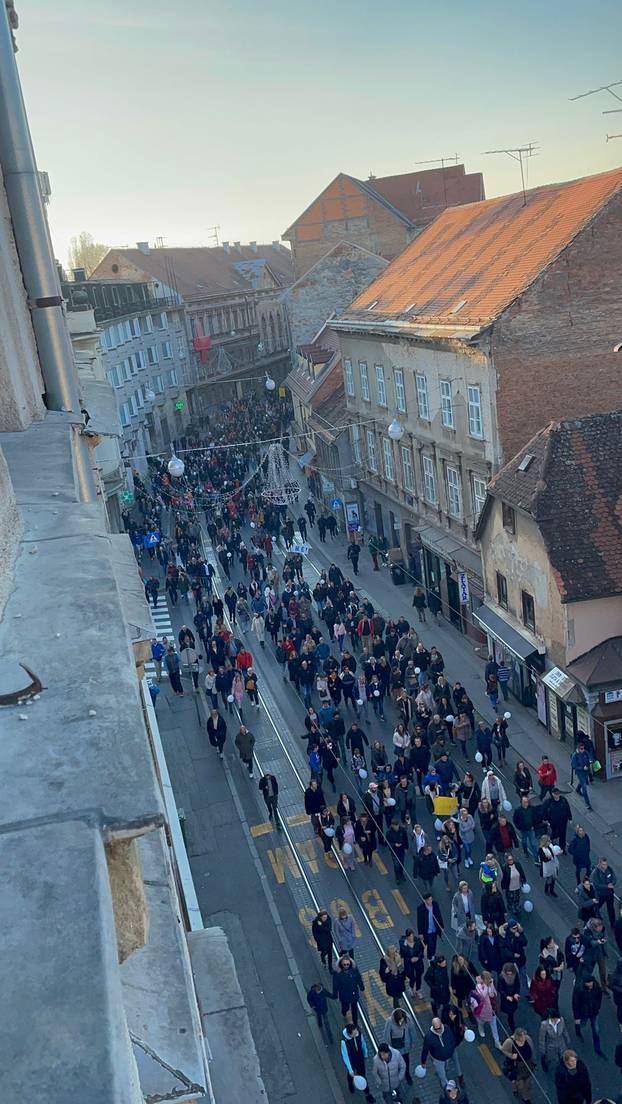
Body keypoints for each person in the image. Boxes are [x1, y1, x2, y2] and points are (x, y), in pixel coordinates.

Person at [340, 1022, 375, 1101]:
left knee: (363, 1076)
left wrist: (365, 1053)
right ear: (349, 1034)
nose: (356, 1033)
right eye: (354, 1033)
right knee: (350, 1075)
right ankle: (350, 1084)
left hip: (360, 1059)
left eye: (356, 1031)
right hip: (352, 1061)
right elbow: (345, 1056)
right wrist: (350, 1069)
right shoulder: (344, 1042)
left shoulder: (358, 1034)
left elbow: (363, 1043)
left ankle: (367, 1093)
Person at [572, 974, 605, 1055]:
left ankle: (597, 1049)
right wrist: (577, 1017)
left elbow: (599, 998)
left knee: (596, 1031)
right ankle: (578, 1029)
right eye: (588, 983)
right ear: (584, 983)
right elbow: (575, 1004)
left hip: (594, 1012)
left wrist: (598, 1007)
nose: (590, 984)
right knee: (582, 1024)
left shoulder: (597, 988)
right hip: (584, 1013)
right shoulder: (579, 990)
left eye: (591, 982)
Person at [500, 1028, 536, 1103]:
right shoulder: (510, 1042)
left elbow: (532, 1050)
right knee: (520, 1084)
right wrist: (511, 1056)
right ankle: (515, 1088)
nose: (524, 1038)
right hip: (517, 1067)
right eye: (522, 1037)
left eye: (524, 1036)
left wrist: (534, 1062)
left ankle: (526, 1098)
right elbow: (503, 1049)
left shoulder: (528, 1039)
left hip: (527, 1065)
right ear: (517, 1036)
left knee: (528, 1083)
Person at [420, 1016, 456, 1088]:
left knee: (445, 1068)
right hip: (438, 1059)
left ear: (441, 1024)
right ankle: (446, 1088)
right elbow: (425, 1050)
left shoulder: (446, 1028)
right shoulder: (429, 1037)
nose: (438, 1030)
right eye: (435, 1029)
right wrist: (423, 1062)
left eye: (439, 1028)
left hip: (447, 1056)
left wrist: (452, 1049)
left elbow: (452, 1038)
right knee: (442, 1076)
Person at [383, 1009, 415, 1085]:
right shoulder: (390, 1021)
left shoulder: (408, 1019)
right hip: (395, 1047)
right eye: (399, 1021)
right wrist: (389, 1047)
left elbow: (412, 1031)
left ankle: (407, 1074)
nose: (401, 1023)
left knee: (406, 1061)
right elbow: (387, 1035)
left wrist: (412, 1042)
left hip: (405, 1045)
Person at [470, 971, 501, 1047]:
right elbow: (483, 995)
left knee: (494, 1026)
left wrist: (491, 985)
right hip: (482, 1010)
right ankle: (480, 1028)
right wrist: (487, 986)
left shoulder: (489, 985)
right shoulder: (479, 986)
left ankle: (497, 1042)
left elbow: (493, 994)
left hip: (491, 1010)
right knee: (481, 1022)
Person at [333, 955, 365, 1025]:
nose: (346, 966)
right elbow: (335, 985)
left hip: (353, 994)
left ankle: (355, 1023)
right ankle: (345, 1015)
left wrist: (362, 987)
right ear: (341, 964)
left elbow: (358, 978)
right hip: (344, 995)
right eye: (344, 964)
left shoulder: (354, 970)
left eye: (348, 964)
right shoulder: (338, 973)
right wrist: (335, 995)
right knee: (345, 1008)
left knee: (354, 1009)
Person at [417, 893, 444, 959]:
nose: (430, 901)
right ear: (425, 900)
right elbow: (419, 921)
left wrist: (441, 926)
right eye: (429, 900)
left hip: (434, 929)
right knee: (430, 945)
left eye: (431, 899)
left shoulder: (435, 904)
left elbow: (439, 916)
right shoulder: (421, 908)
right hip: (427, 930)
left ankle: (432, 955)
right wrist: (420, 933)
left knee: (434, 944)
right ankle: (430, 957)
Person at [513, 797, 540, 862]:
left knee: (533, 843)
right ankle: (525, 852)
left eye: (527, 801)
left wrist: (534, 825)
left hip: (531, 829)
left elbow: (535, 817)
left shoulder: (532, 808)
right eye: (525, 802)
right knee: (524, 841)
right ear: (521, 802)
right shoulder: (518, 810)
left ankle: (536, 859)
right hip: (523, 830)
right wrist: (519, 827)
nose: (526, 803)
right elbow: (515, 820)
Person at [591, 856, 617, 925]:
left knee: (611, 909)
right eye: (603, 864)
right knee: (597, 907)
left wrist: (613, 883)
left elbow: (614, 878)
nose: (605, 866)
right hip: (600, 894)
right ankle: (595, 916)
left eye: (606, 864)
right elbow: (596, 885)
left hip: (609, 894)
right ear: (599, 864)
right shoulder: (595, 873)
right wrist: (607, 886)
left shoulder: (609, 869)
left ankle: (613, 923)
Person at [498, 962, 521, 1032]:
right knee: (510, 1014)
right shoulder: (501, 977)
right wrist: (506, 996)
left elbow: (518, 985)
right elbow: (500, 988)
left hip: (513, 996)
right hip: (506, 998)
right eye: (508, 974)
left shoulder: (515, 975)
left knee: (513, 1010)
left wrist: (517, 993)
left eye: (511, 974)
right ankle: (512, 1028)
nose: (509, 975)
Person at [570, 745, 593, 811]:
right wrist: (582, 768)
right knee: (584, 788)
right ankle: (588, 804)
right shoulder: (575, 755)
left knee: (582, 782)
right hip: (580, 773)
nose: (583, 750)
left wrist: (591, 761)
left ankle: (577, 789)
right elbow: (574, 765)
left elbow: (590, 757)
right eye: (581, 749)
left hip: (586, 771)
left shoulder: (585, 752)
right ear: (578, 749)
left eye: (583, 748)